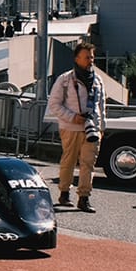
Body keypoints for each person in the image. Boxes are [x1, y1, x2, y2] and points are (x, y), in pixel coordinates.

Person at [47, 42, 106, 213]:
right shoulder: (65, 79)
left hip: (92, 128)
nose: (91, 60)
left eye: (92, 57)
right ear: (77, 58)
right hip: (70, 128)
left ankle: (84, 198)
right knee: (69, 162)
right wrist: (73, 117)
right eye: (87, 57)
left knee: (88, 164)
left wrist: (101, 127)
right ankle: (64, 194)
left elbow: (101, 106)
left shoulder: (98, 80)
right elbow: (54, 105)